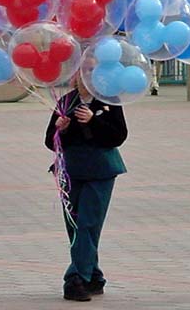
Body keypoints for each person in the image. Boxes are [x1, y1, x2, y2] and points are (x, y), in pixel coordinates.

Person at [44, 71, 128, 302]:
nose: (86, 78)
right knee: (75, 226)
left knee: (88, 223)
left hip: (100, 171)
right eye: (82, 73)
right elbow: (50, 140)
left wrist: (94, 120)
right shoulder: (66, 101)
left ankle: (75, 279)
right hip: (71, 171)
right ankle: (93, 276)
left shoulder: (109, 101)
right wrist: (61, 128)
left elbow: (118, 136)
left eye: (91, 72)